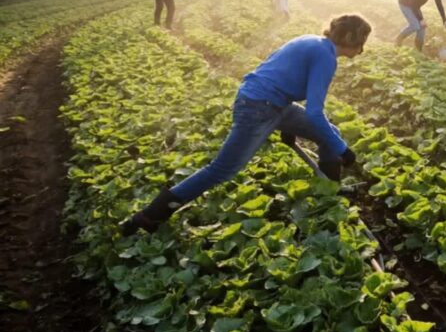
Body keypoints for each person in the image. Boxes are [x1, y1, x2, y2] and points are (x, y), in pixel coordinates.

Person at [120, 14, 373, 235]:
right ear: (351, 39)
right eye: (361, 43)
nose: (362, 51)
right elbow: (316, 113)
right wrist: (343, 151)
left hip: (272, 103)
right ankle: (150, 215)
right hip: (260, 108)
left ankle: (329, 191)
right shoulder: (326, 57)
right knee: (222, 169)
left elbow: (281, 75)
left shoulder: (310, 41)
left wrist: (290, 125)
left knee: (331, 133)